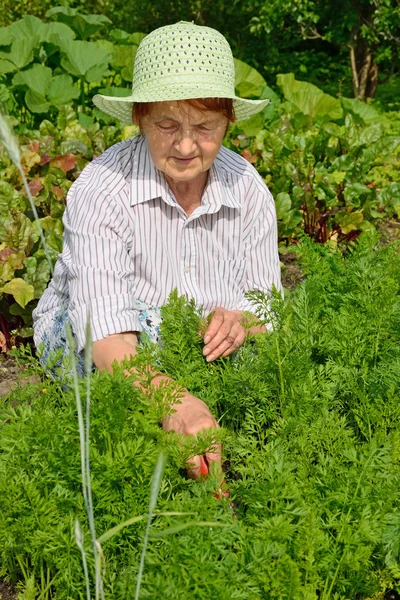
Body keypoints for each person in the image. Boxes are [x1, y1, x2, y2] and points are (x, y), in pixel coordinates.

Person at [33, 21, 282, 479]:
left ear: (229, 120)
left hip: (191, 337)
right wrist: (174, 401)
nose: (187, 146)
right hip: (97, 335)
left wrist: (241, 321)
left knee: (254, 359)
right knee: (121, 371)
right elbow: (105, 333)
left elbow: (269, 304)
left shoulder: (248, 188)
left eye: (205, 126)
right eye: (167, 125)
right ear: (139, 119)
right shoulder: (103, 188)